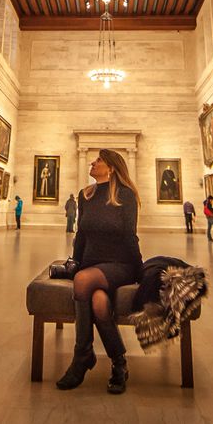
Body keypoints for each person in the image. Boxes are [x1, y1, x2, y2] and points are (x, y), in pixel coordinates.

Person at [56, 149, 142, 395]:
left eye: (99, 160)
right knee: (98, 302)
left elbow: (130, 236)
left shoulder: (126, 195)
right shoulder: (86, 195)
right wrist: (75, 262)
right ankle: (119, 363)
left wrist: (139, 269)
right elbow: (81, 235)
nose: (92, 163)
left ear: (111, 168)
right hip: (93, 265)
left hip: (120, 265)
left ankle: (82, 355)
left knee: (83, 280)